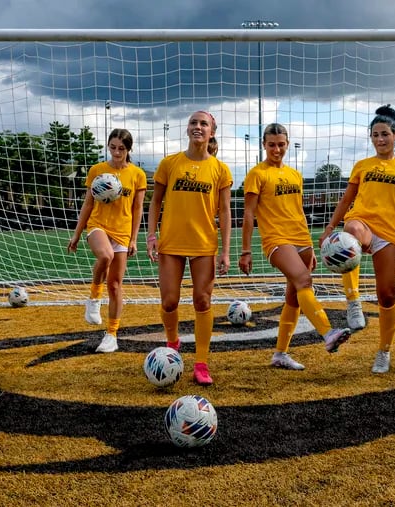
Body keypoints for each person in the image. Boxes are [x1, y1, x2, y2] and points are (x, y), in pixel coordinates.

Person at [319, 105, 395, 374]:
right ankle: (353, 302)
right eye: (375, 135)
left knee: (387, 295)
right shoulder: (362, 166)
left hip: (389, 233)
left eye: (385, 134)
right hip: (362, 221)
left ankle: (384, 351)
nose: (380, 139)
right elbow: (347, 199)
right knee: (350, 233)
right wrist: (331, 226)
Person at [239, 123, 351, 370]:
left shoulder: (294, 175)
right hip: (276, 240)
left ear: (288, 144)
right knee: (304, 282)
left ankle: (280, 354)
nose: (276, 149)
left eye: (281, 144)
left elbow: (299, 211)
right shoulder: (257, 174)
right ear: (263, 145)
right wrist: (246, 250)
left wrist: (309, 244)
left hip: (301, 239)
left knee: (294, 298)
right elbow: (249, 215)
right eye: (271, 145)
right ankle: (328, 332)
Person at [146, 111, 232, 386]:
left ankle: (201, 363)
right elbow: (155, 203)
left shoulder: (220, 169)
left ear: (211, 132)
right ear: (187, 130)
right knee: (169, 301)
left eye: (203, 124)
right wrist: (150, 236)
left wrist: (226, 251)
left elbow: (226, 212)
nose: (198, 127)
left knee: (202, 301)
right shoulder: (169, 164)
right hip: (171, 243)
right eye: (193, 123)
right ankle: (172, 343)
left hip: (204, 245)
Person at [68, 129, 147, 353]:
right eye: (112, 147)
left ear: (129, 149)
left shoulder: (138, 175)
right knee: (105, 255)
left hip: (122, 232)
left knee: (115, 285)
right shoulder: (97, 170)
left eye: (121, 148)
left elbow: (138, 208)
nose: (116, 152)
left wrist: (133, 239)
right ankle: (93, 298)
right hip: (97, 226)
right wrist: (76, 234)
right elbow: (88, 204)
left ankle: (111, 335)